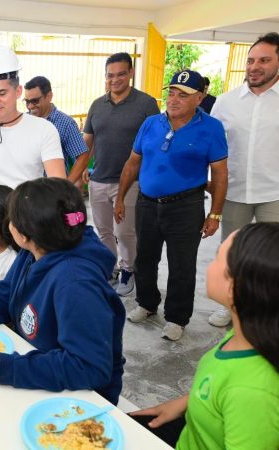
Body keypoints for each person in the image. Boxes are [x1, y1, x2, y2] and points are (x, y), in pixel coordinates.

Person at [0, 178, 125, 404]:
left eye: (11, 220)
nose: (7, 224)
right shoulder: (37, 249)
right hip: (38, 366)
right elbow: (4, 292)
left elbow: (88, 367)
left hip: (80, 400)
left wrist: (3, 368)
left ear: (24, 235)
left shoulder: (75, 283)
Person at [130, 222, 279, 449]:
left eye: (218, 258)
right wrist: (187, 403)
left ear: (234, 287)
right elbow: (222, 388)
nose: (209, 265)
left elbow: (239, 396)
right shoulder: (249, 335)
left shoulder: (253, 392)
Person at [115, 70, 228, 341]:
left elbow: (221, 174)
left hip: (186, 206)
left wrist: (215, 213)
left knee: (182, 265)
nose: (174, 100)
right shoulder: (151, 123)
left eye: (184, 95)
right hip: (147, 204)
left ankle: (177, 317)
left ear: (199, 98)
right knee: (145, 257)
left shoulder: (211, 128)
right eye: (172, 93)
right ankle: (147, 302)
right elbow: (133, 162)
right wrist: (120, 197)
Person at [208, 32, 279, 328]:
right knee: (231, 250)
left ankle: (267, 308)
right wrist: (210, 184)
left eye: (264, 60)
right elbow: (209, 145)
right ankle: (229, 304)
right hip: (234, 192)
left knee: (271, 255)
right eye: (251, 60)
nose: (254, 66)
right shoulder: (225, 102)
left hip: (274, 192)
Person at [0, 46, 66, 239]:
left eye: (2, 93)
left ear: (18, 91)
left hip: (32, 225)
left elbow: (58, 183)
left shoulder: (44, 129)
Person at [82, 52, 160, 296]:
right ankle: (111, 266)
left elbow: (155, 142)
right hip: (98, 179)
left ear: (131, 74)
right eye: (110, 75)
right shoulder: (97, 104)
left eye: (120, 74)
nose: (114, 80)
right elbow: (88, 140)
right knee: (104, 231)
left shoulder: (146, 104)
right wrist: (85, 166)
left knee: (124, 231)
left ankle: (128, 269)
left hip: (130, 182)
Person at [23, 76, 90, 185]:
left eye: (35, 101)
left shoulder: (65, 123)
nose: (30, 106)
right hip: (27, 191)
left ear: (49, 96)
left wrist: (65, 186)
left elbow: (83, 156)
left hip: (52, 193)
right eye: (27, 101)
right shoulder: (24, 122)